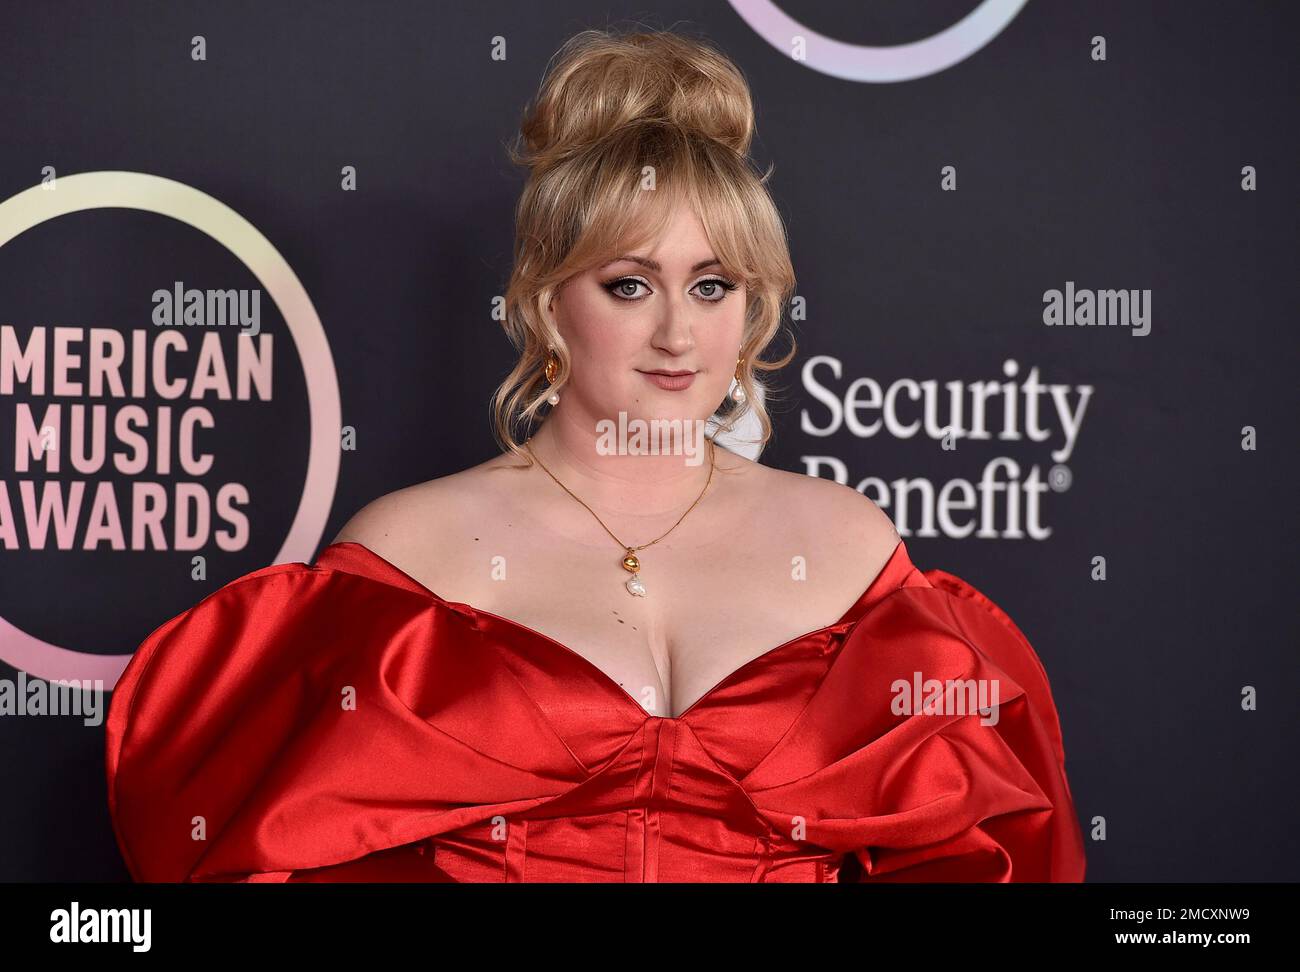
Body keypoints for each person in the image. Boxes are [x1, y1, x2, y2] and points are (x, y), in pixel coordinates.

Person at [105, 27, 1086, 883]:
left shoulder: (850, 550)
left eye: (712, 287)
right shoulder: (412, 551)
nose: (677, 334)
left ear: (753, 306)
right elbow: (260, 846)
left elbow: (986, 854)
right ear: (541, 302)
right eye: (628, 286)